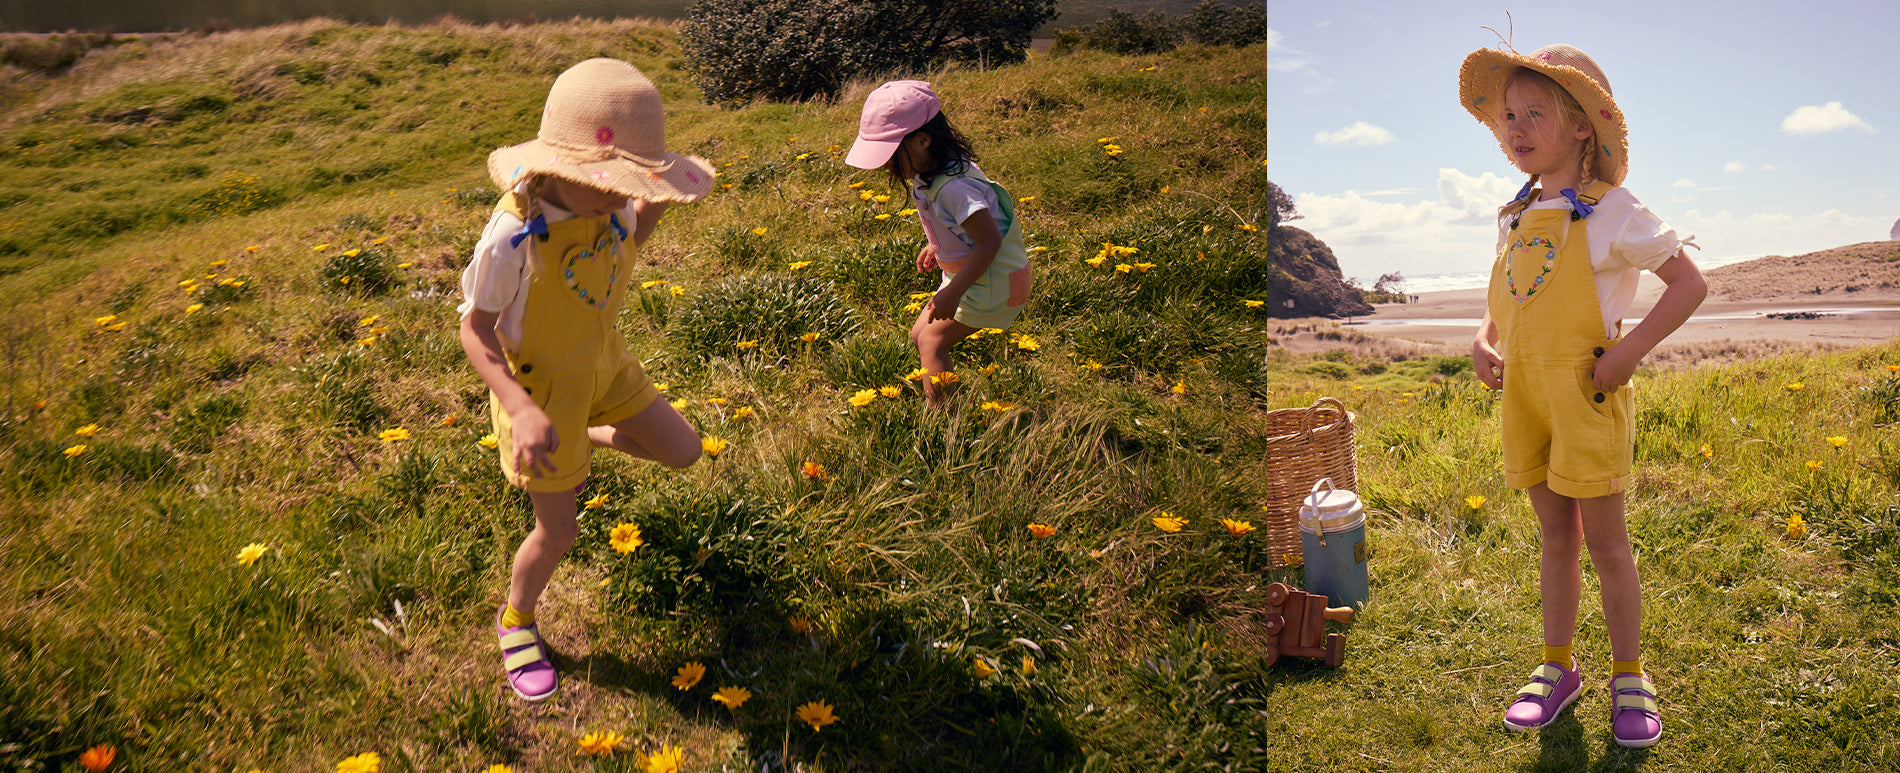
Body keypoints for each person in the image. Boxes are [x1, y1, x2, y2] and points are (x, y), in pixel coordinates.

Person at [1458, 43, 1707, 747]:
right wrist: (1484, 337)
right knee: (1555, 536)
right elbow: (1503, 298)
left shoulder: (1611, 210)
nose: (1516, 126)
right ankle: (1557, 667)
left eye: (1536, 112)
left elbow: (1689, 283)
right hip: (1528, 399)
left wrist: (1628, 351)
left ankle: (1630, 673)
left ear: (1580, 127)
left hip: (1586, 393)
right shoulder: (1513, 213)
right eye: (1509, 115)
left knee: (1606, 543)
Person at [458, 58, 714, 701]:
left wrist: (649, 196)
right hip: (542, 393)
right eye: (614, 183)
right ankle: (517, 620)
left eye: (635, 185)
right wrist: (519, 410)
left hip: (606, 362)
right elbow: (474, 331)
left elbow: (633, 228)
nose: (625, 199)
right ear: (561, 168)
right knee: (560, 531)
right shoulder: (512, 235)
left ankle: (589, 437)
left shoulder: (612, 207)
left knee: (685, 451)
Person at [845, 80, 1032, 408]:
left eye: (890, 154)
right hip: (974, 273)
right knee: (919, 335)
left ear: (922, 140)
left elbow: (989, 242)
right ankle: (945, 405)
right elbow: (965, 225)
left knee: (931, 342)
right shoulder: (933, 169)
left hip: (993, 279)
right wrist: (939, 245)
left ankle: (946, 421)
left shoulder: (954, 188)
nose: (886, 165)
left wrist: (953, 291)